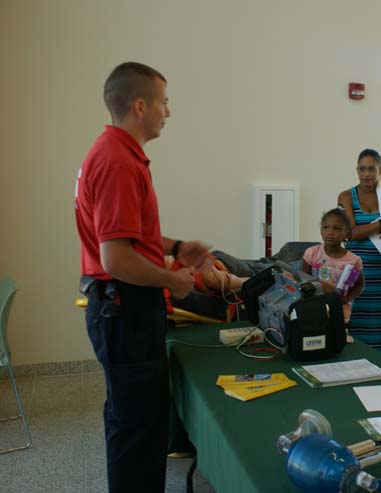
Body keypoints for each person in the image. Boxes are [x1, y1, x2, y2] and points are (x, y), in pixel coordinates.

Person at [74, 62, 211, 492]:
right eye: (163, 102)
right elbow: (115, 258)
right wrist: (173, 280)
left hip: (121, 308)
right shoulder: (117, 162)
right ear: (139, 106)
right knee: (138, 430)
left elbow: (127, 236)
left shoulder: (114, 152)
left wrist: (172, 248)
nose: (167, 112)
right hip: (126, 309)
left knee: (135, 421)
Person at [338, 149, 381, 356]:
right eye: (362, 169)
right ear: (357, 170)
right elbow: (350, 233)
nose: (367, 174)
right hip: (361, 279)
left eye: (371, 169)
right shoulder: (347, 196)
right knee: (357, 338)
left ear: (380, 170)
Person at [302, 208, 365, 324]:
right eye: (326, 228)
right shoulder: (312, 253)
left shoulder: (353, 261)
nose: (330, 232)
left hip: (340, 312)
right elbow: (303, 281)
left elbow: (359, 285)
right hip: (314, 309)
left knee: (336, 340)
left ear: (346, 233)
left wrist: (344, 300)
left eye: (336, 228)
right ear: (321, 231)